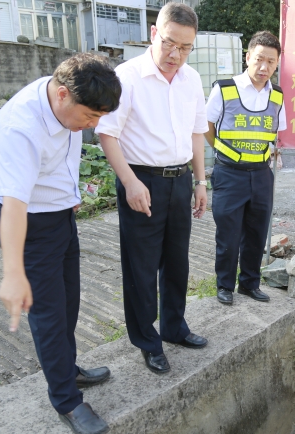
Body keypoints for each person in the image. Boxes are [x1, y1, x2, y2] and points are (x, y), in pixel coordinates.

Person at [0, 54, 122, 434]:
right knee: (48, 315)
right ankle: (66, 400)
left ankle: (67, 368)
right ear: (62, 95)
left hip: (60, 215)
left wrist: (69, 194)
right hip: (29, 224)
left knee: (68, 304)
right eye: (90, 117)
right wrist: (13, 273)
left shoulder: (67, 100)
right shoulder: (20, 127)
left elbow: (63, 152)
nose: (93, 126)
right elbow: (14, 205)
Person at [96, 3, 209, 375]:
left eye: (186, 47)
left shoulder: (191, 79)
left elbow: (197, 134)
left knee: (177, 261)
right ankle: (147, 340)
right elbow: (107, 134)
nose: (176, 54)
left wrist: (200, 181)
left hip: (180, 180)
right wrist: (129, 182)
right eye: (170, 43)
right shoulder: (127, 76)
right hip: (141, 180)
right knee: (141, 267)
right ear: (154, 33)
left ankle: (174, 327)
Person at [204, 31, 287, 305]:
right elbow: (206, 124)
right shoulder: (225, 89)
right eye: (259, 59)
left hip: (261, 174)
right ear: (248, 57)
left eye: (271, 62)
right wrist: (222, 150)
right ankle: (224, 286)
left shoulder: (277, 96)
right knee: (228, 234)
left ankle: (250, 284)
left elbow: (276, 133)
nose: (264, 67)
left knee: (257, 233)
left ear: (277, 64)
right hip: (229, 174)